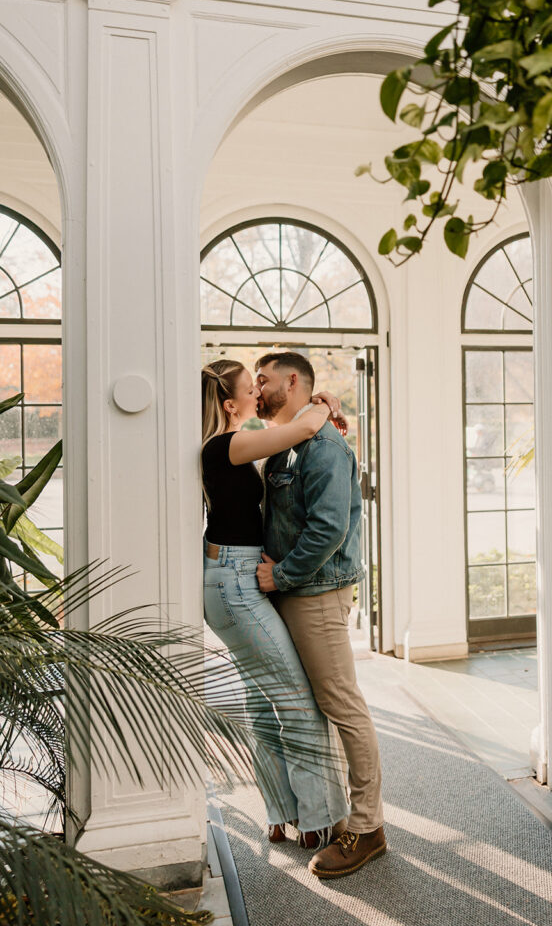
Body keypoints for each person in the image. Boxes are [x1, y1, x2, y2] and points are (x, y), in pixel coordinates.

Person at [201, 358, 350, 848]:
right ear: (230, 404)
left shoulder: (236, 442)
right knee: (298, 700)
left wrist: (321, 402)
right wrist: (324, 402)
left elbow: (298, 425)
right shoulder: (232, 444)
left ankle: (281, 812)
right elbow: (307, 423)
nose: (258, 391)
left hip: (230, 577)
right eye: (251, 385)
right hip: (236, 584)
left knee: (261, 702)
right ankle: (319, 820)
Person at [254, 351, 386, 879]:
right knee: (312, 705)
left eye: (263, 379)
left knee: (342, 705)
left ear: (292, 381)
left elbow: (329, 529)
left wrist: (280, 576)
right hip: (290, 593)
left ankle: (368, 826)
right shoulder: (287, 442)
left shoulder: (325, 447)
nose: (258, 388)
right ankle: (331, 814)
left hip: (316, 595)